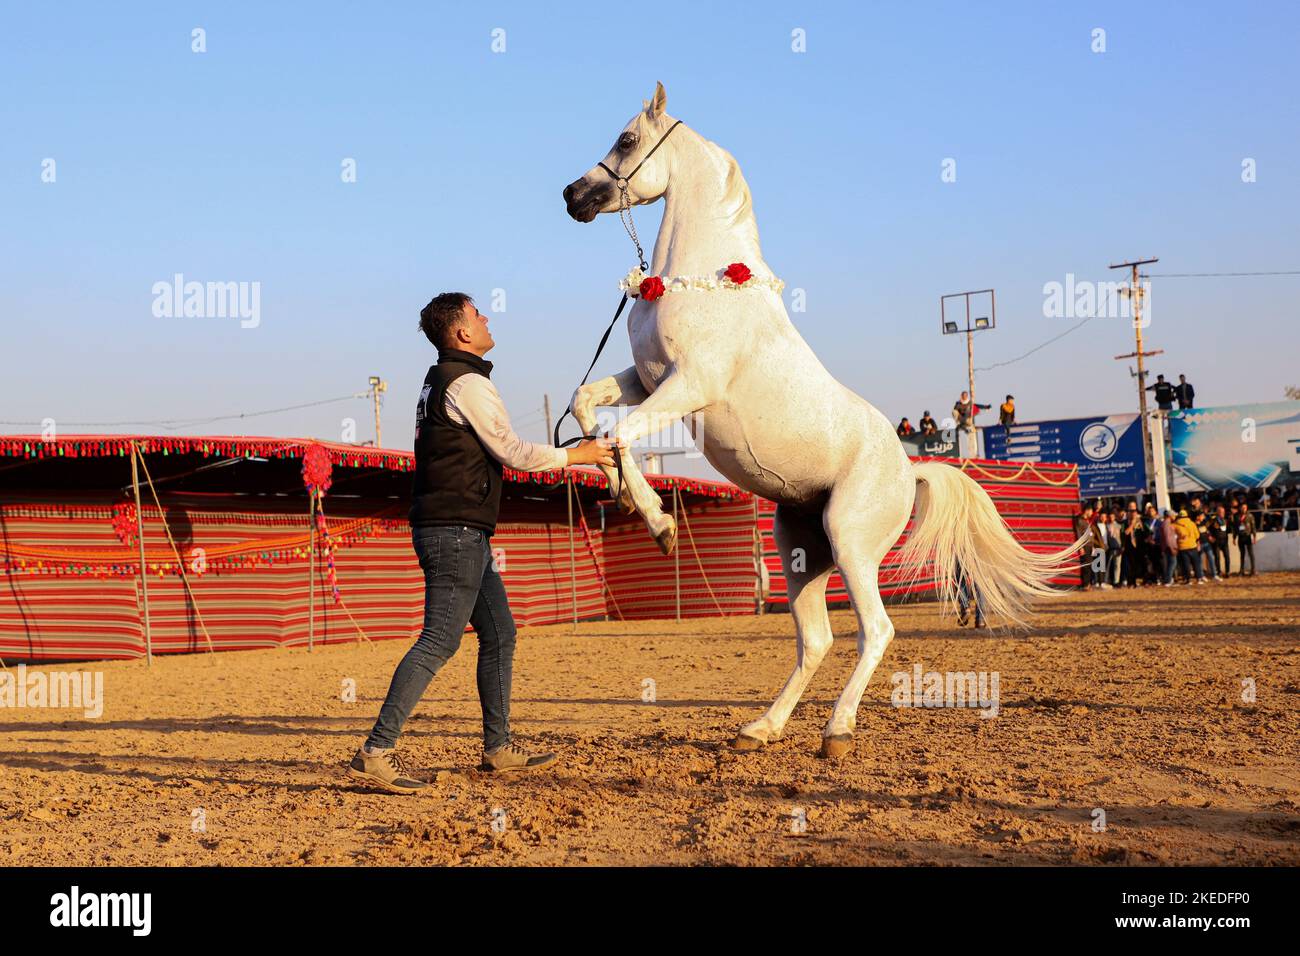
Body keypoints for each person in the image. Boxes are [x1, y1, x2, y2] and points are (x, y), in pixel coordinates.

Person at [349, 292, 621, 794]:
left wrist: (571, 454)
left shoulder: (440, 381)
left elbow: (495, 451)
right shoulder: (468, 382)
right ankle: (377, 750)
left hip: (460, 530)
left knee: (500, 633)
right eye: (478, 314)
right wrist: (579, 455)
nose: (488, 317)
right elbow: (513, 452)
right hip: (455, 532)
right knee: (439, 640)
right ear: (462, 333)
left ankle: (498, 747)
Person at [1174, 508, 1203, 584]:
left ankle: (1188, 579)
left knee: (1186, 564)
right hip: (1192, 545)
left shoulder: (1175, 525)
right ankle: (1199, 578)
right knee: (1196, 563)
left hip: (1182, 547)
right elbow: (1197, 535)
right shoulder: (1192, 523)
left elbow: (1174, 536)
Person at [1121, 501, 1147, 587]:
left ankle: (1141, 580)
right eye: (1130, 511)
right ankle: (1131, 582)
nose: (1132, 513)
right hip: (1129, 547)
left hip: (1140, 546)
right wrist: (1132, 524)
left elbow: (1147, 532)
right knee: (1130, 565)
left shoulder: (1141, 521)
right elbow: (1125, 533)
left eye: (1134, 511)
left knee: (1139, 564)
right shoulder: (1124, 522)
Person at [953, 559, 985, 629]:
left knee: (960, 577)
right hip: (980, 553)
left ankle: (965, 608)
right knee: (980, 583)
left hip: (963, 551)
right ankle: (980, 620)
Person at [1235, 502, 1257, 576]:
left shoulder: (1250, 516)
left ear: (1247, 508)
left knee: (1251, 554)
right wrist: (1234, 537)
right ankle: (1242, 571)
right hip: (1240, 537)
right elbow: (1235, 528)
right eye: (1242, 507)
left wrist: (1254, 536)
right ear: (1240, 508)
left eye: (1245, 507)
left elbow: (1253, 527)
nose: (1243, 509)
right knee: (1242, 554)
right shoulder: (1237, 516)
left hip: (1247, 536)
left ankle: (1253, 570)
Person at [1159, 509, 1180, 586]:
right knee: (1172, 563)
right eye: (1174, 515)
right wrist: (1171, 547)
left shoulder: (1166, 523)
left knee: (1171, 563)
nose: (1175, 516)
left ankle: (1169, 579)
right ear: (1170, 516)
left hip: (1168, 546)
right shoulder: (1166, 524)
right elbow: (1167, 537)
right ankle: (1168, 580)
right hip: (1169, 546)